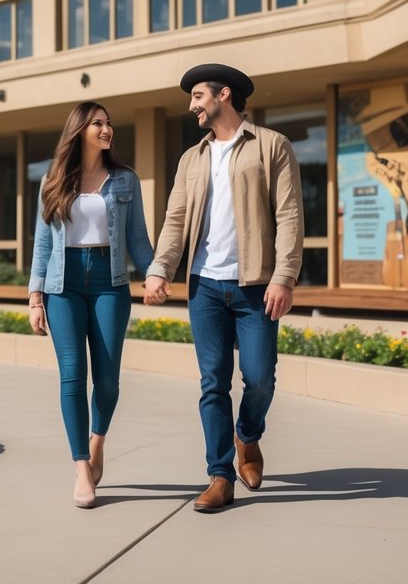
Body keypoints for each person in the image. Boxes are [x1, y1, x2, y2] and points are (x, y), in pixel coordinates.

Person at [143, 63, 303, 513]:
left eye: (197, 95)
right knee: (213, 382)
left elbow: (290, 215)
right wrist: (160, 270)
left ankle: (248, 436)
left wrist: (284, 276)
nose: (192, 105)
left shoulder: (272, 146)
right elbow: (175, 220)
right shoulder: (191, 159)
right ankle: (220, 474)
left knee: (259, 380)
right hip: (206, 287)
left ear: (223, 95)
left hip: (255, 286)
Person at [29, 101, 155, 508]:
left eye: (109, 123)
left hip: (110, 283)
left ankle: (96, 440)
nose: (106, 129)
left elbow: (138, 238)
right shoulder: (53, 180)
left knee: (108, 379)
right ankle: (81, 467)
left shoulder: (125, 180)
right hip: (61, 285)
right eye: (98, 123)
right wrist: (35, 296)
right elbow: (43, 243)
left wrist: (154, 273)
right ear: (79, 130)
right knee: (71, 375)